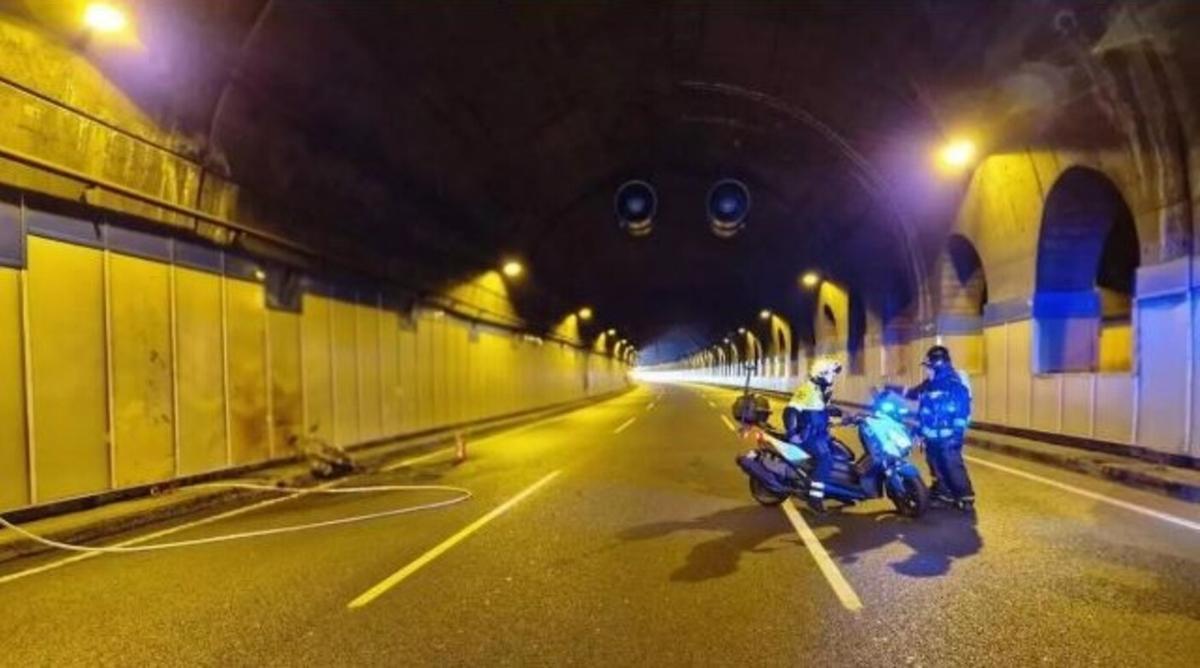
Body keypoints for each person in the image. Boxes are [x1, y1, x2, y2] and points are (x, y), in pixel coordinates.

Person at [905, 345, 975, 510]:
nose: (926, 371)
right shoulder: (930, 384)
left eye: (928, 367)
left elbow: (962, 411)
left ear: (938, 365)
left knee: (952, 464)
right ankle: (943, 494)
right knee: (935, 464)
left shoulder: (954, 384)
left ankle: (965, 497)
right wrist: (889, 389)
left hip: (948, 437)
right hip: (932, 436)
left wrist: (956, 435)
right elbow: (918, 401)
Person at [783, 357, 843, 512]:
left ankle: (836, 489)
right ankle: (814, 498)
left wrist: (841, 414)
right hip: (808, 436)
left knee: (842, 454)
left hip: (820, 434)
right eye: (831, 373)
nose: (833, 377)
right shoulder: (807, 389)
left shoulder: (820, 391)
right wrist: (792, 434)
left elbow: (819, 410)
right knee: (826, 460)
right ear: (821, 374)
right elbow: (790, 411)